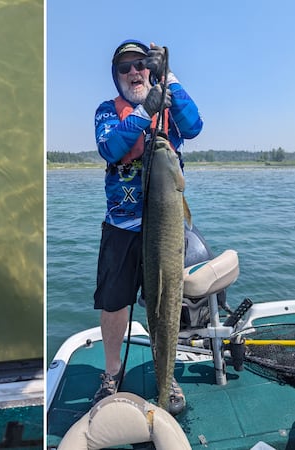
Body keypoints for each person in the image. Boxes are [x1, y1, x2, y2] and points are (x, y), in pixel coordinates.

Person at [92, 39, 203, 413]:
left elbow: (194, 126)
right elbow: (110, 148)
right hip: (121, 228)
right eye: (124, 68)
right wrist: (143, 112)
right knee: (113, 303)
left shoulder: (168, 104)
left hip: (165, 228)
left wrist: (169, 77)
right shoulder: (108, 112)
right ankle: (112, 373)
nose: (133, 72)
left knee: (166, 299)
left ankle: (166, 376)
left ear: (150, 70)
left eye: (140, 65)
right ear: (117, 77)